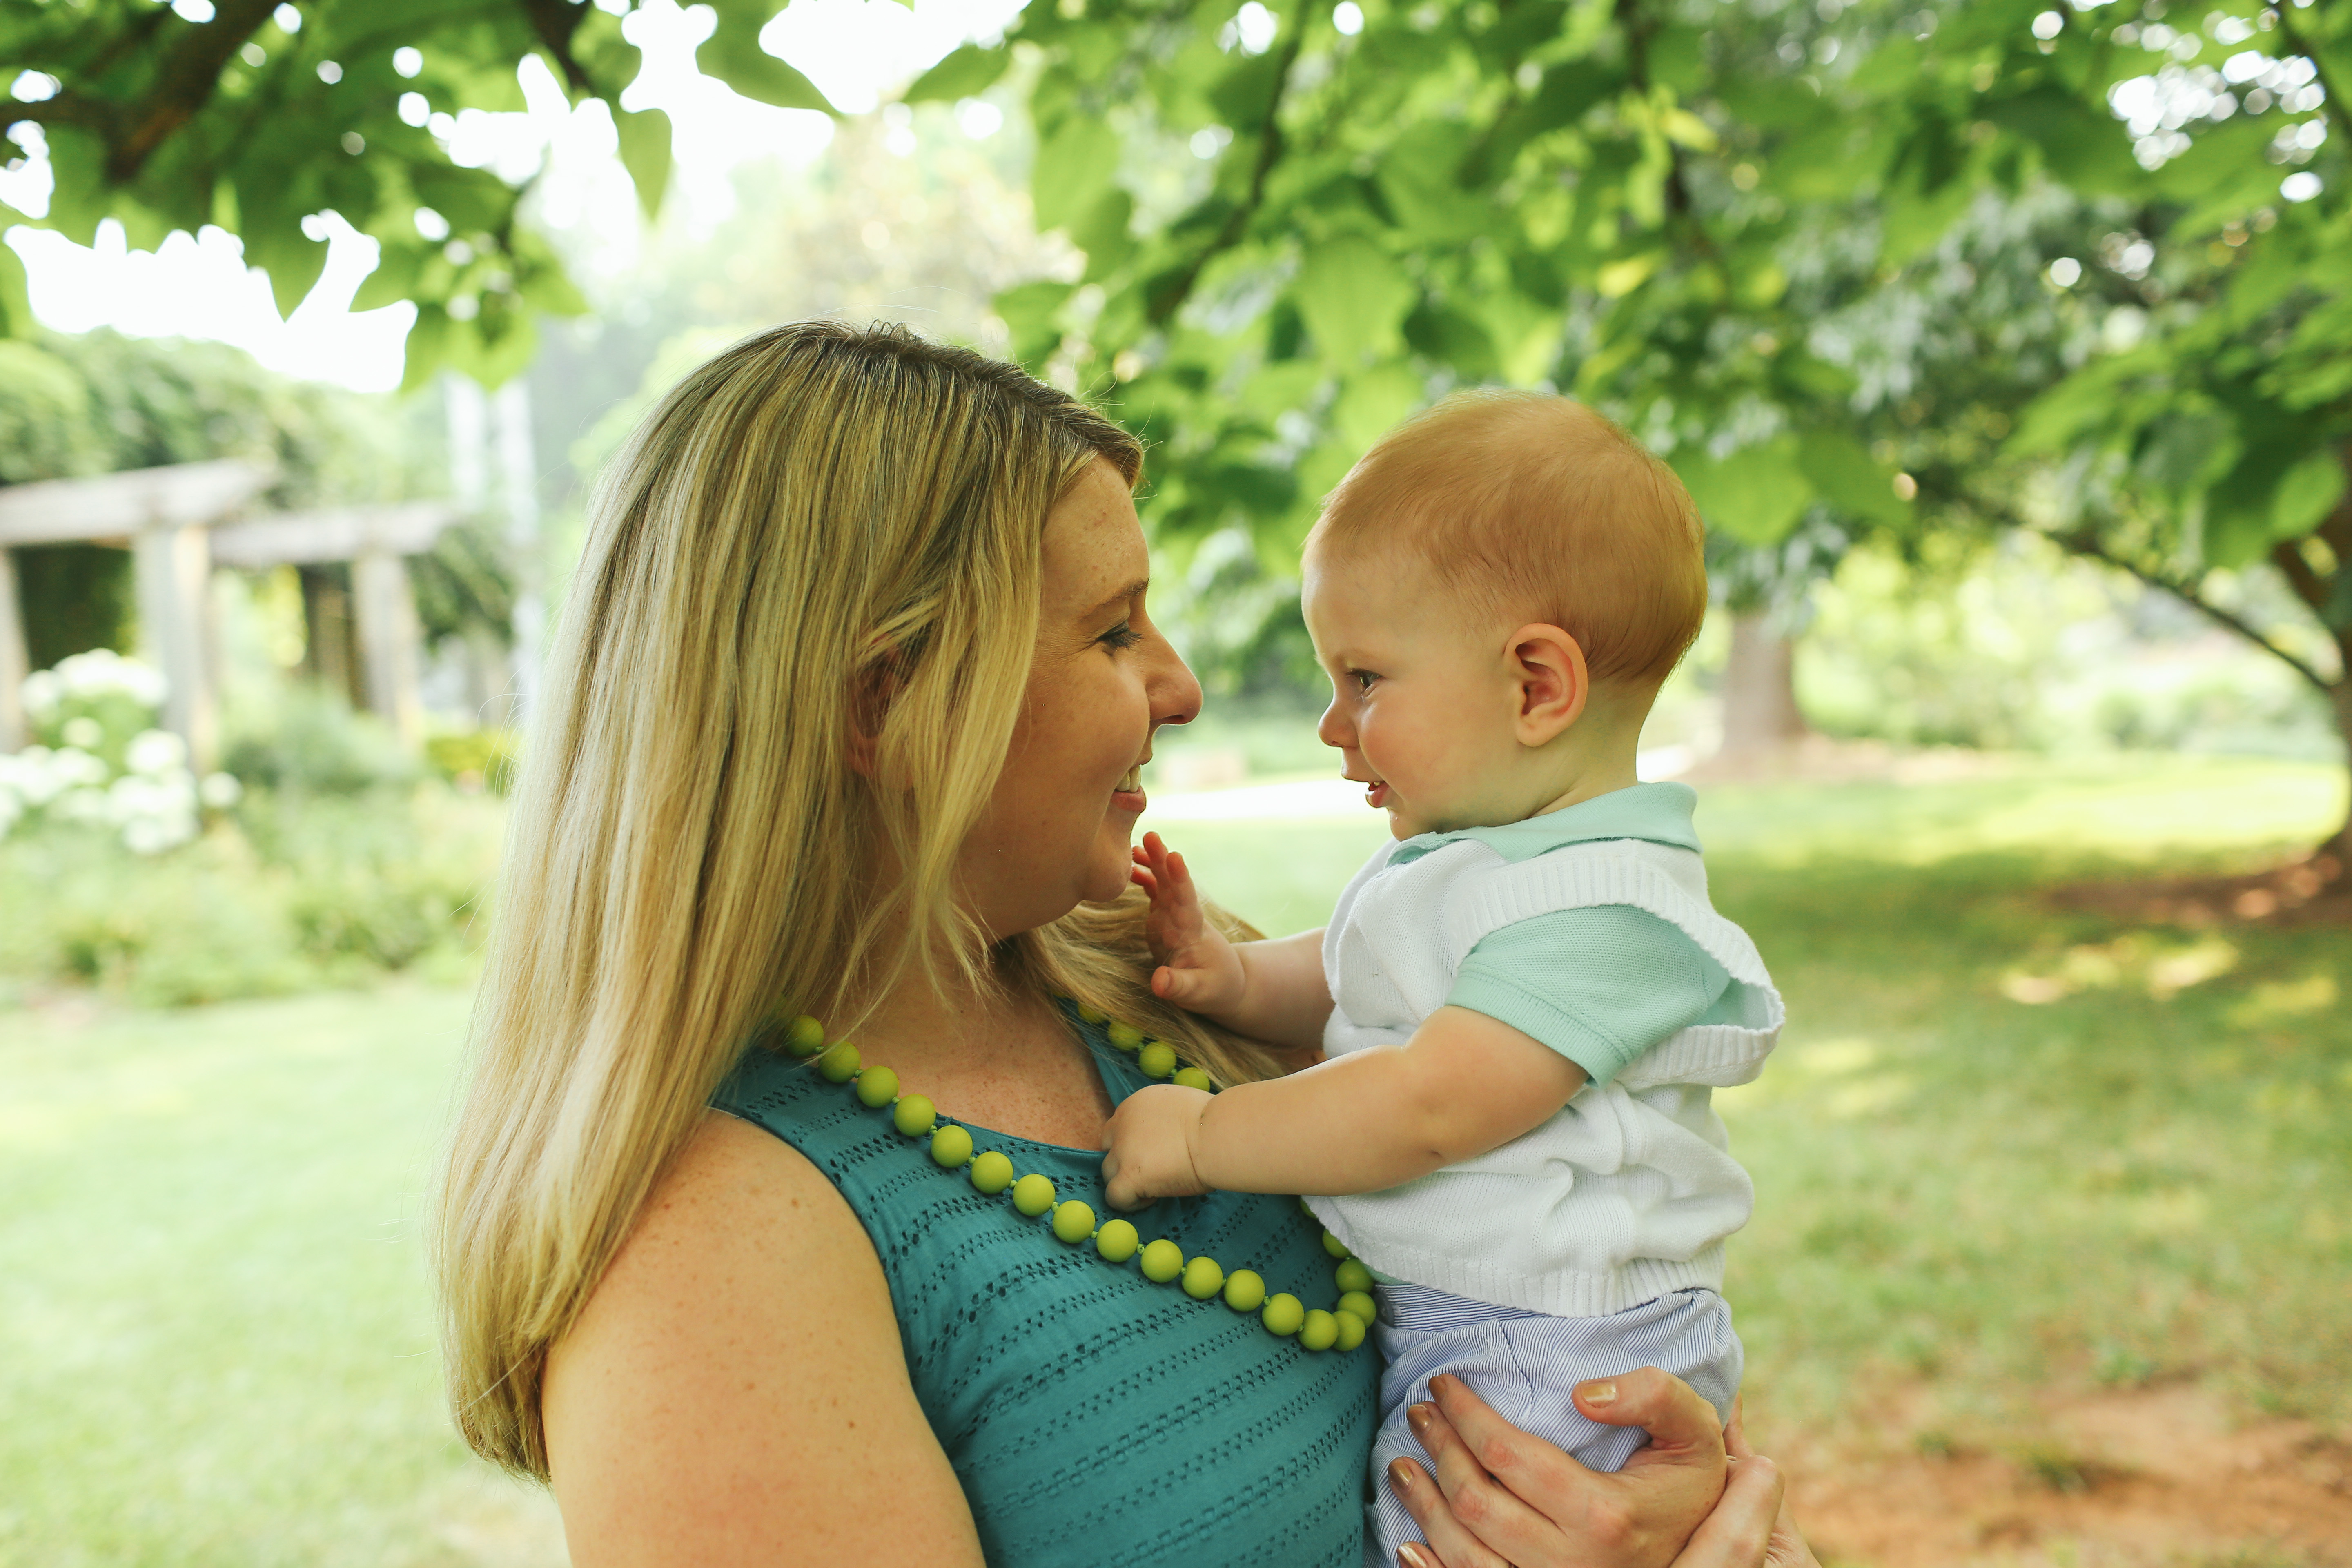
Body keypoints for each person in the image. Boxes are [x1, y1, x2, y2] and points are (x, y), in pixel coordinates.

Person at [432, 323, 1814, 1567]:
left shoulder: (1157, 984)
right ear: (883, 705)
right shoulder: (710, 1262)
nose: (1187, 687)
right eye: (1111, 630)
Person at [1100, 392, 1781, 1566]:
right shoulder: (1499, 864)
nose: (1330, 724)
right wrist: (1229, 977)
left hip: (1555, 1357)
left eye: (1365, 678)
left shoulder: (1610, 907)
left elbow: (1431, 1103)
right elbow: (1364, 978)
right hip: (1493, 1324)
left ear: (1535, 687)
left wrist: (1207, 1139)